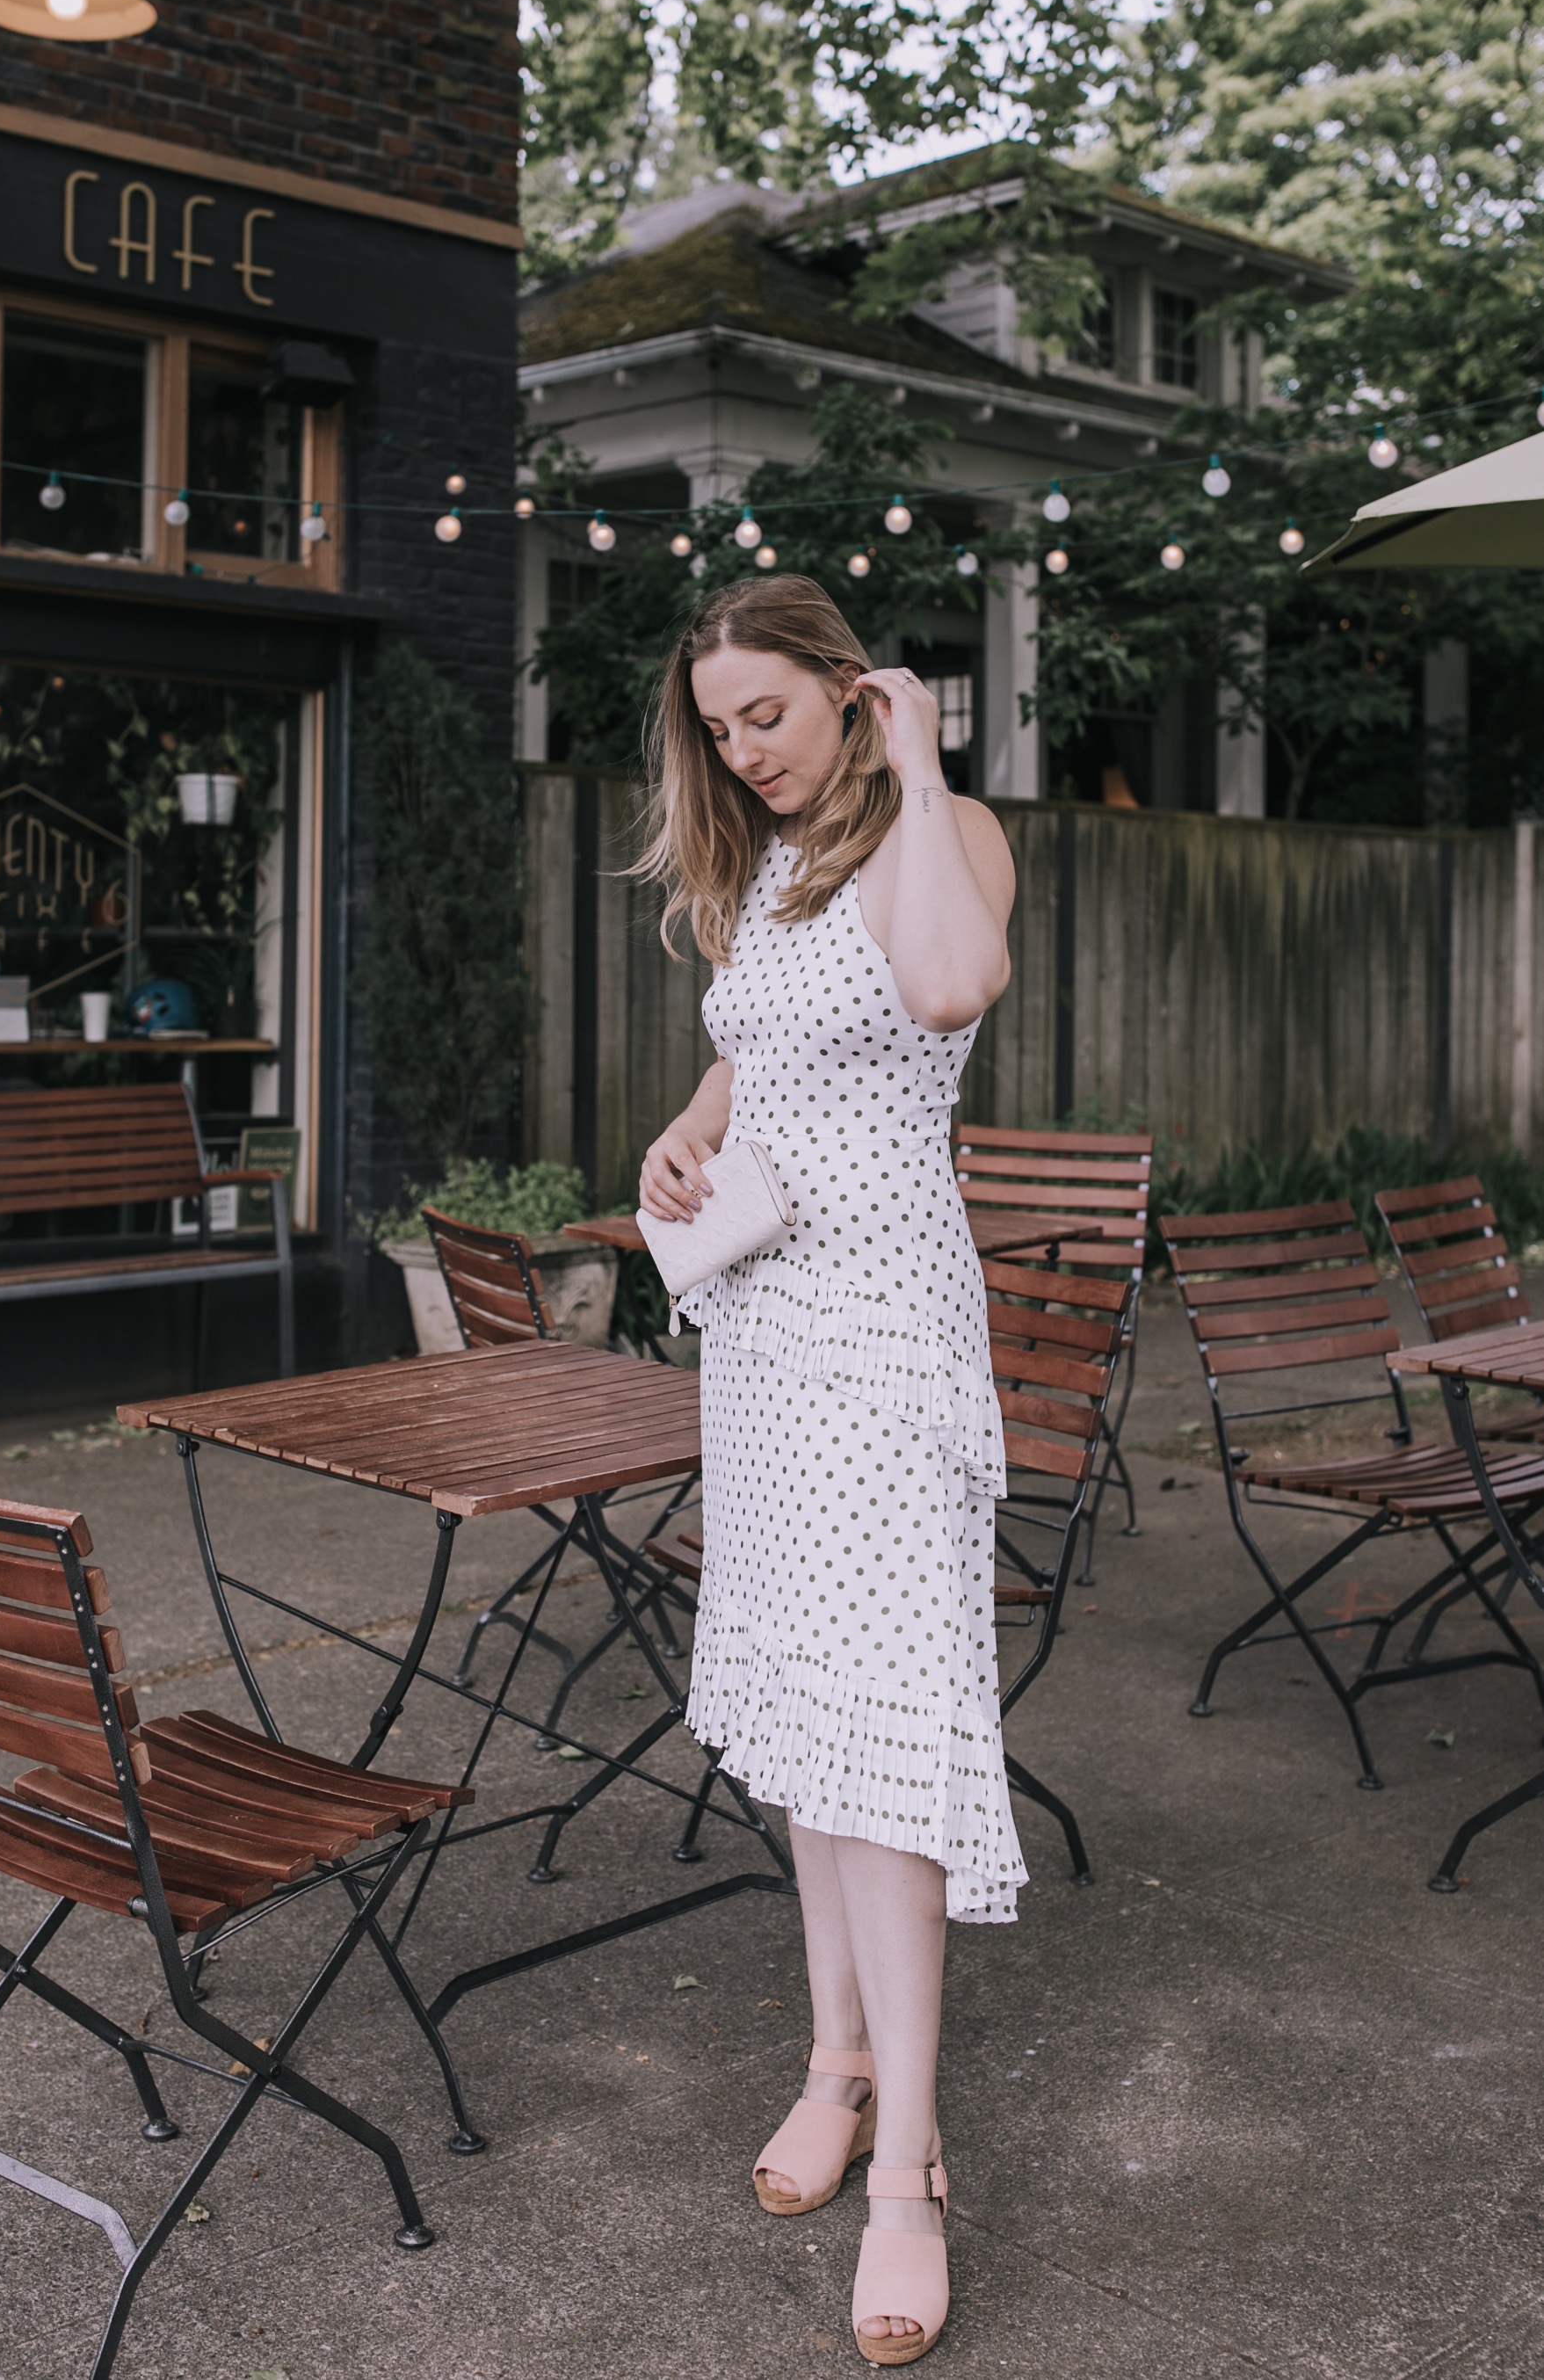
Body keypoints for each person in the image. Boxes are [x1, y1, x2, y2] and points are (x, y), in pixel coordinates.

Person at [636, 575, 1020, 2366]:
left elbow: (947, 987)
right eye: (717, 729)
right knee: (803, 1723)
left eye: (765, 715)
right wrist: (685, 1137)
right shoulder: (766, 877)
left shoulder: (938, 840)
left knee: (890, 1740)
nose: (742, 752)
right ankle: (834, 2066)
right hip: (765, 1344)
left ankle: (911, 2170)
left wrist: (926, 760)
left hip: (888, 1341)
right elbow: (749, 1063)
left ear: (847, 688)